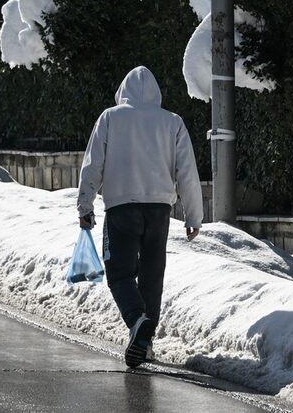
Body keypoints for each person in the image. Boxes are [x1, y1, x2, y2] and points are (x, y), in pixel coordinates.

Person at [76, 66, 203, 368]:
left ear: (123, 92)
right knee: (151, 275)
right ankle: (146, 343)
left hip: (121, 207)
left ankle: (136, 321)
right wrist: (194, 216)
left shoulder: (110, 117)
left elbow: (93, 163)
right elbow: (187, 171)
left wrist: (85, 205)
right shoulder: (173, 122)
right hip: (160, 210)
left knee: (119, 273)